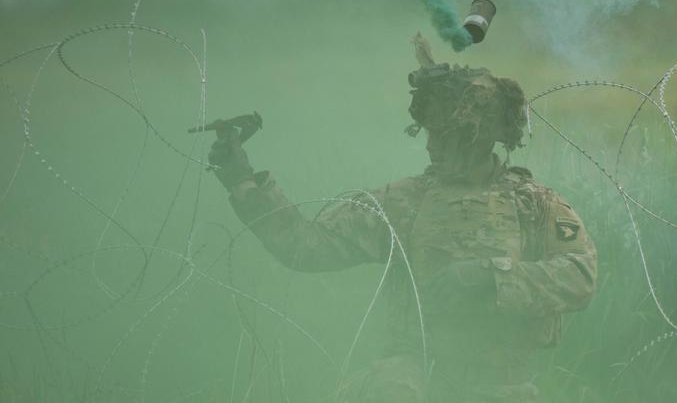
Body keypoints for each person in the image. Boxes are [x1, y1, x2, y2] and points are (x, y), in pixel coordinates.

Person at [208, 37, 597, 402]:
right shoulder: (403, 201)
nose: (429, 145)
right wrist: (243, 182)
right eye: (428, 132)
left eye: (442, 135)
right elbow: (306, 247)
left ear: (477, 136)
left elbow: (580, 276)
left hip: (502, 384)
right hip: (414, 376)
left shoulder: (535, 206)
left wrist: (488, 275)